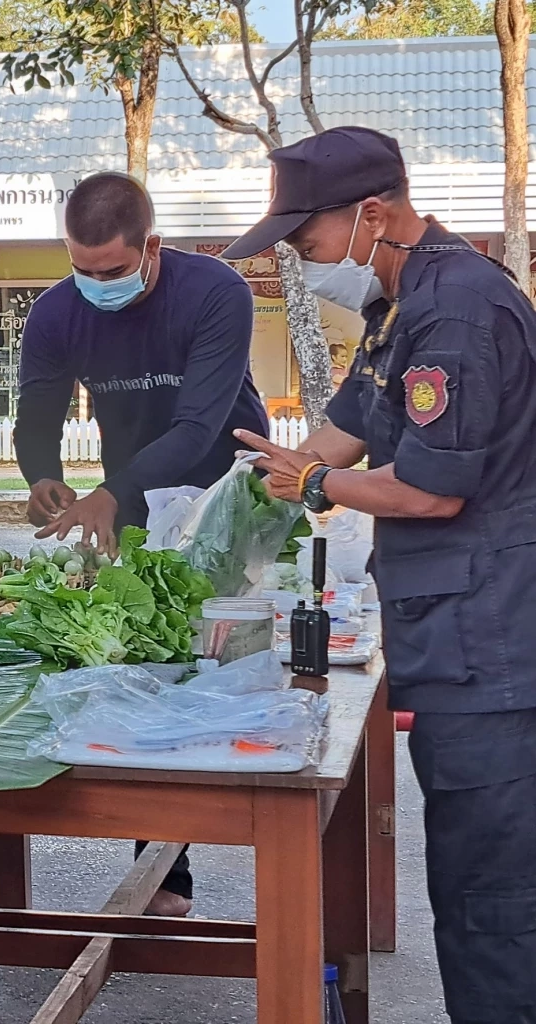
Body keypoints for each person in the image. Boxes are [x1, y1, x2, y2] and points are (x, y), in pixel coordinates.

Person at [225, 125, 536, 1024]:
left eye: (305, 241)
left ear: (371, 214)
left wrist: (314, 483)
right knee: (473, 890)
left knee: (493, 907)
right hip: (456, 646)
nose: (297, 258)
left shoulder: (456, 312)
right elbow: (344, 426)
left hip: (495, 655)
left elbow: (434, 491)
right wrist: (256, 488)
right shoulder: (396, 307)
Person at [14, 172, 268, 915]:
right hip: (126, 496)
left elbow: (196, 428)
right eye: (80, 268)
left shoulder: (216, 291)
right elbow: (37, 407)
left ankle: (277, 821)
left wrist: (111, 493)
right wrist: (42, 476)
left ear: (151, 246)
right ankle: (164, 869)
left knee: (231, 671)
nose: (94, 283)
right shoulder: (57, 312)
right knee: (148, 660)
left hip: (229, 497)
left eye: (112, 271)